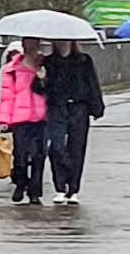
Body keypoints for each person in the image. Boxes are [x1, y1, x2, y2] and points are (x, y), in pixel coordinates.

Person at [37, 37, 105, 204]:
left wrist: (97, 107)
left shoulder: (83, 61)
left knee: (77, 148)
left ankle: (73, 189)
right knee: (57, 147)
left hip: (79, 108)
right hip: (56, 107)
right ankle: (60, 186)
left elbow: (92, 84)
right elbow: (40, 90)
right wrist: (41, 79)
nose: (62, 43)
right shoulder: (48, 62)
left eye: (66, 40)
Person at [0, 40, 50, 203]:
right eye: (28, 46)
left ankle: (35, 192)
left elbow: (53, 92)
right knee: (20, 155)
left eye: (34, 46)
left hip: (41, 117)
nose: (31, 49)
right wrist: (4, 119)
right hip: (20, 118)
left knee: (39, 155)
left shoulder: (46, 66)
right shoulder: (12, 70)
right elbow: (7, 95)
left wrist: (43, 79)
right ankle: (21, 182)